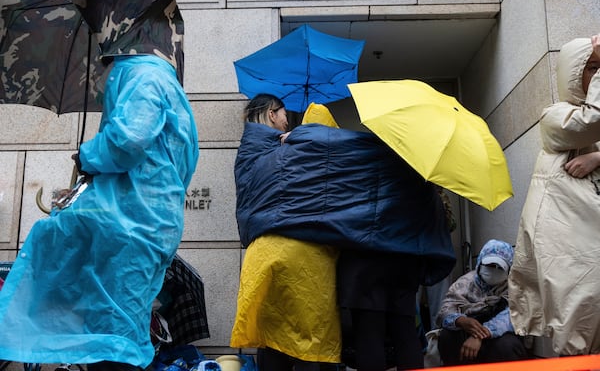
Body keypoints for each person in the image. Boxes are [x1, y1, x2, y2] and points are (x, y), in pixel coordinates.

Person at [0, 55, 199, 371]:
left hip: (128, 226)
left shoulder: (140, 75)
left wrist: (87, 154)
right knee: (116, 332)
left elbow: (127, 142)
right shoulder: (162, 83)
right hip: (146, 224)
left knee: (112, 338)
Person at [234, 100, 454, 371]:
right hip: (403, 261)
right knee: (404, 330)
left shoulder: (294, 154)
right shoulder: (410, 161)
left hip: (358, 262)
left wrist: (301, 136)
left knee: (358, 334)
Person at [230, 93, 342, 371]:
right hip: (304, 255)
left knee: (272, 336)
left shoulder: (248, 151)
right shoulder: (297, 147)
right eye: (283, 114)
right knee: (309, 339)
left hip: (261, 255)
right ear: (271, 114)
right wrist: (302, 142)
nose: (286, 120)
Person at [508, 33, 600, 356]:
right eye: (592, 68)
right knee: (576, 325)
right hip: (569, 248)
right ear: (573, 74)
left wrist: (597, 157)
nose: (596, 75)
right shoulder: (554, 115)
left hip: (591, 244)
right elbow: (591, 120)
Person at [436, 239, 528, 365]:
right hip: (468, 331)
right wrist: (460, 320)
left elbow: (514, 315)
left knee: (507, 345)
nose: (493, 270)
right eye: (489, 266)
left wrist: (480, 335)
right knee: (448, 336)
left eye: (499, 267)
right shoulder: (465, 283)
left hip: (498, 336)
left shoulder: (515, 287)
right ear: (480, 264)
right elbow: (445, 310)